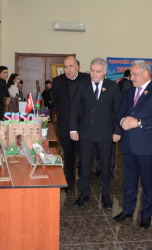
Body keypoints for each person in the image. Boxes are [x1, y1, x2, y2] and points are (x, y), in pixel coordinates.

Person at [113, 60, 152, 229]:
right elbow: (120, 113)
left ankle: (146, 213)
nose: (132, 77)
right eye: (131, 74)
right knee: (129, 181)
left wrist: (138, 123)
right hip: (129, 145)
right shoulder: (129, 92)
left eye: (135, 74)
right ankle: (128, 210)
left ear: (146, 74)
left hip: (147, 146)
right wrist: (123, 120)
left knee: (146, 182)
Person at [70, 57, 121, 209]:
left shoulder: (112, 87)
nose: (94, 74)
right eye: (92, 70)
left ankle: (106, 196)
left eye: (98, 71)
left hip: (106, 134)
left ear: (105, 72)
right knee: (84, 165)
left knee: (105, 166)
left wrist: (118, 131)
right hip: (85, 133)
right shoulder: (82, 85)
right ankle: (84, 194)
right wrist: (73, 129)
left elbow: (118, 111)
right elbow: (74, 108)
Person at [52, 56, 89, 192]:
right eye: (65, 67)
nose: (68, 70)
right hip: (65, 124)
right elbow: (56, 102)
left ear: (77, 67)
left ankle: (83, 180)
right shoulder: (57, 82)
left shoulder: (87, 79)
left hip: (84, 125)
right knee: (68, 155)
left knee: (84, 155)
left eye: (71, 66)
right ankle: (69, 181)